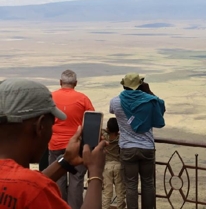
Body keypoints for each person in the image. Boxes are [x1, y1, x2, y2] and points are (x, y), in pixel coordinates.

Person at [0, 78, 106, 209]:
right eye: (52, 125)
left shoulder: (28, 187)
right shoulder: (32, 190)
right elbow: (32, 188)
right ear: (40, 126)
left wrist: (66, 161)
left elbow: (23, 185)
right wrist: (95, 172)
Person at [109, 73, 166, 209]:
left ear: (124, 85)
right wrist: (149, 91)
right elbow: (161, 107)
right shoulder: (149, 100)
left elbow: (112, 112)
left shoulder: (115, 101)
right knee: (147, 183)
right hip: (147, 147)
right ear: (140, 85)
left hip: (127, 148)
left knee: (131, 184)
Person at [48, 70, 95, 209]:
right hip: (77, 147)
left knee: (58, 179)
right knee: (77, 180)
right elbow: (93, 121)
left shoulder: (50, 97)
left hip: (55, 145)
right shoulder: (83, 98)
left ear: (60, 82)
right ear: (75, 83)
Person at [102, 117, 126, 209]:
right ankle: (120, 207)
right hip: (118, 165)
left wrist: (106, 130)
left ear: (108, 128)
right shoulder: (120, 138)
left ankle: (105, 207)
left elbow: (100, 130)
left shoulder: (105, 137)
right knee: (120, 191)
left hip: (107, 166)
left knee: (107, 191)